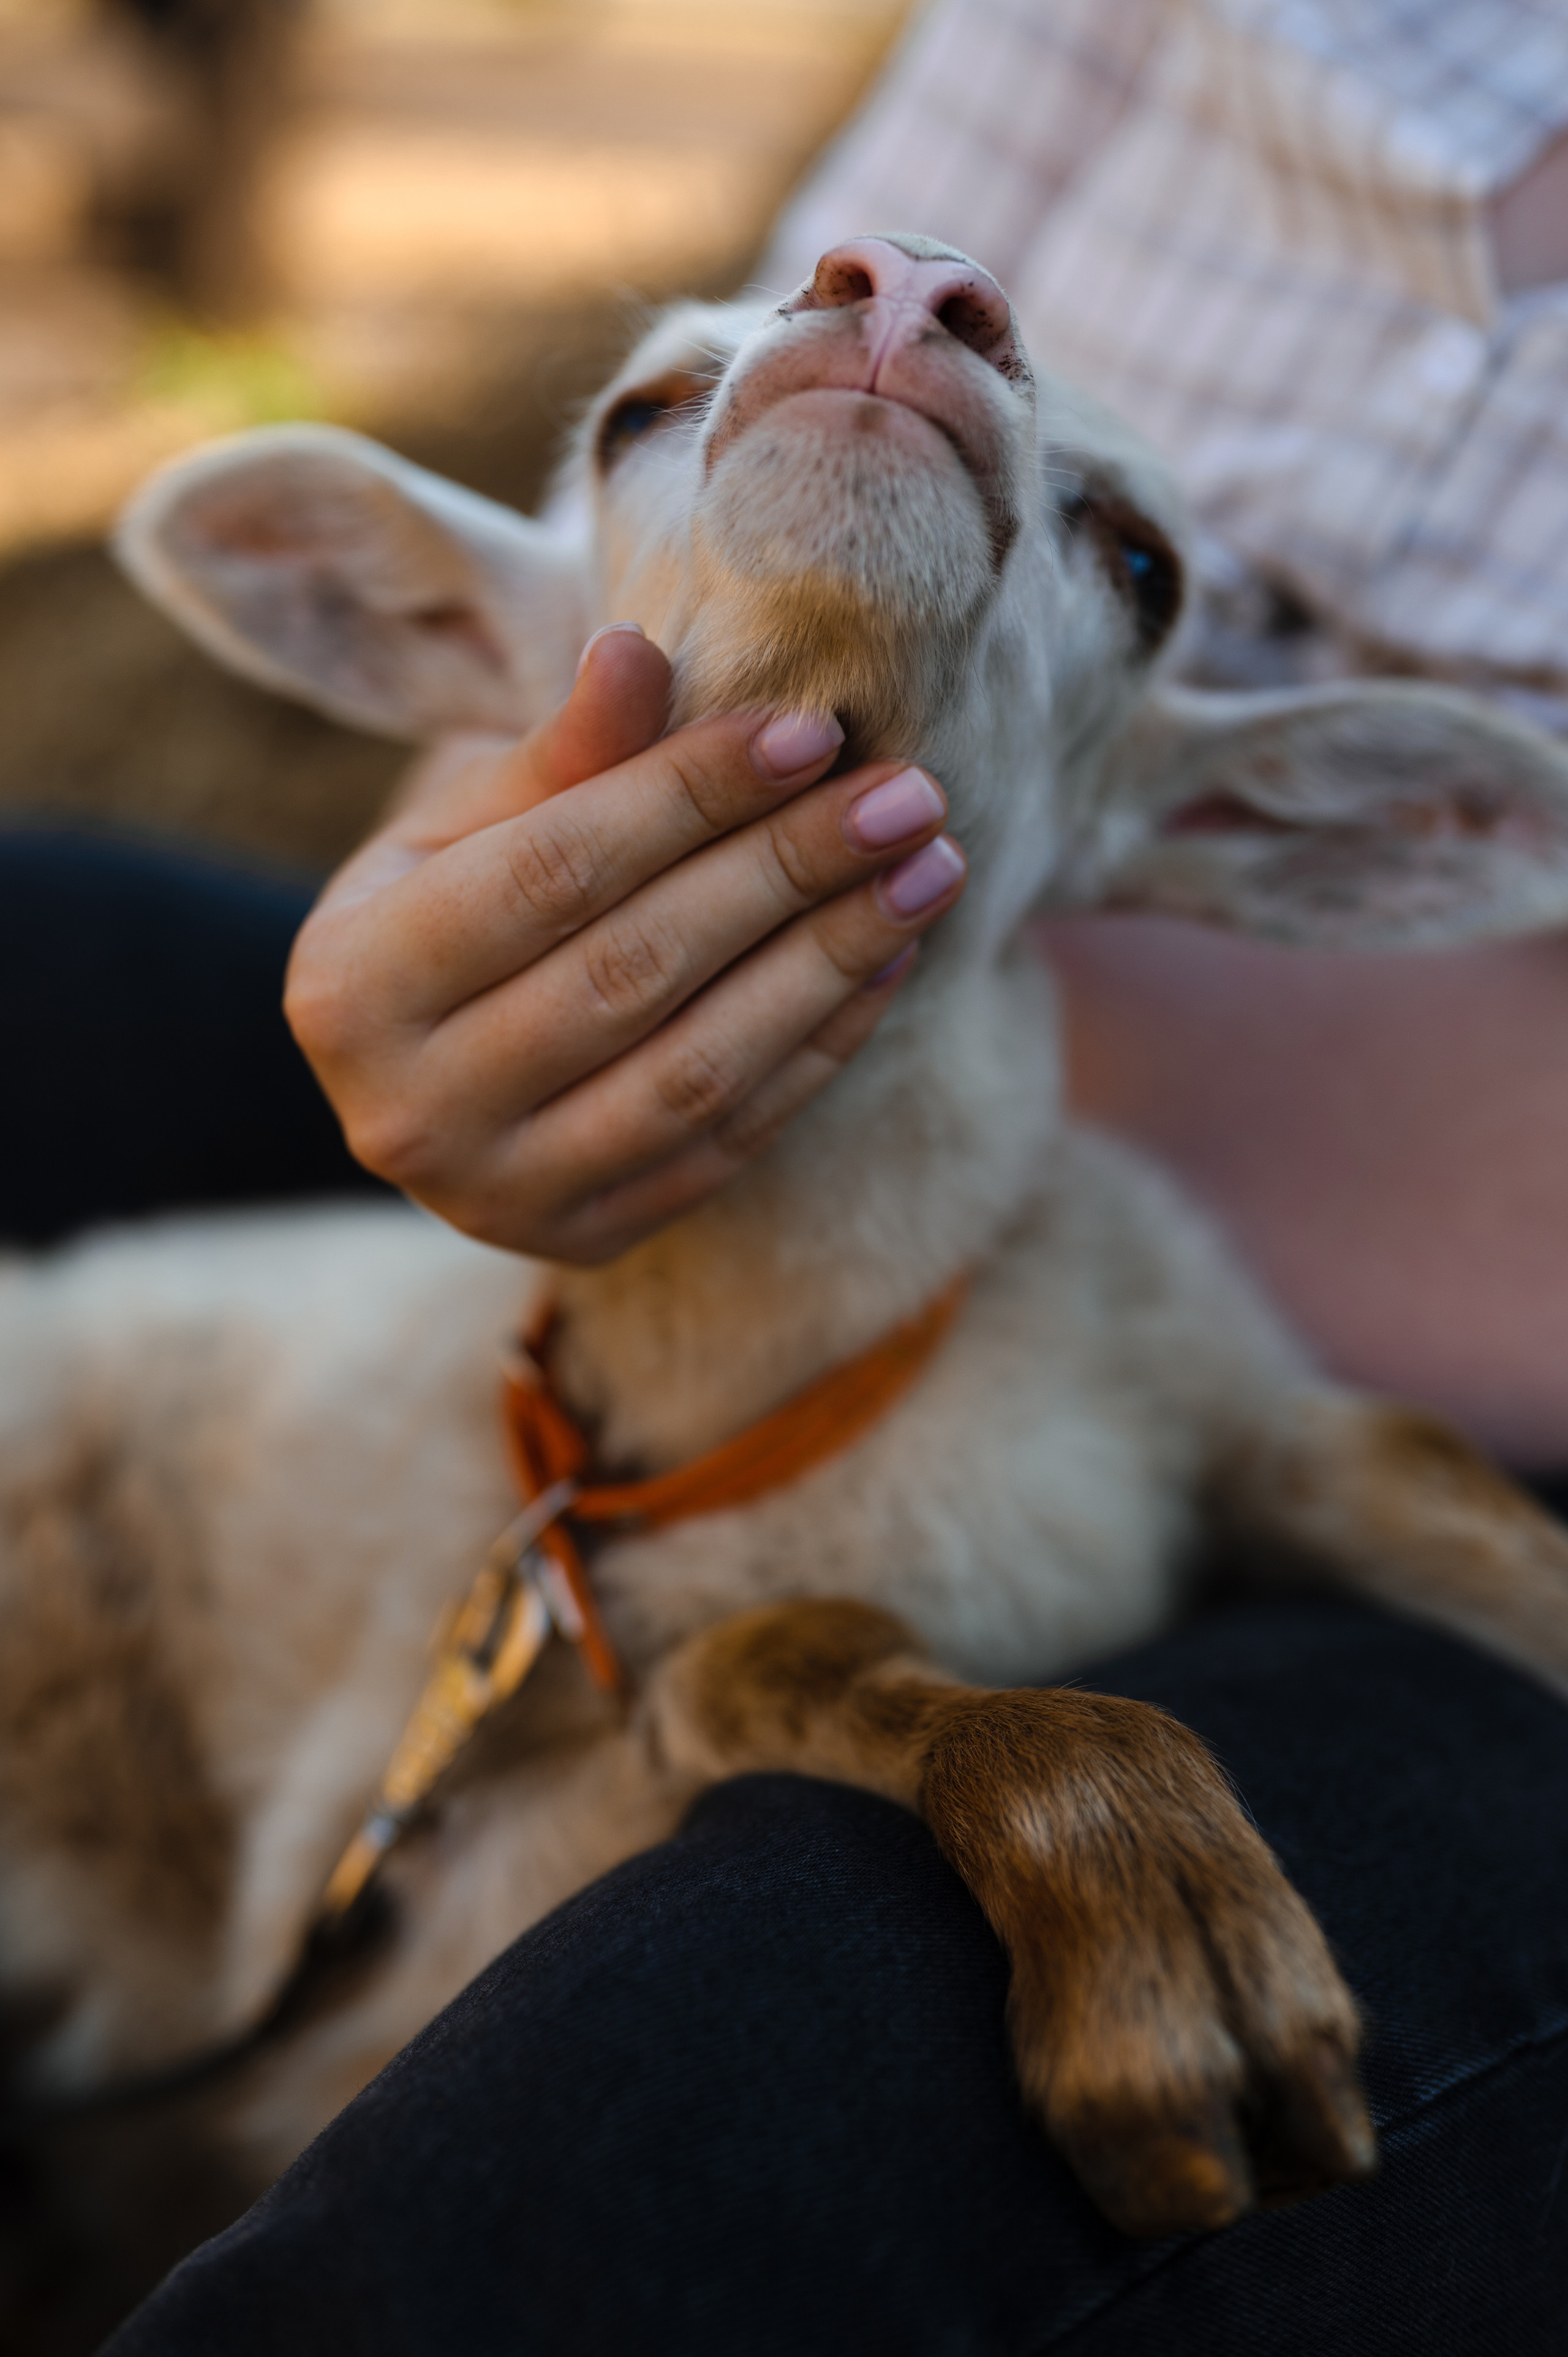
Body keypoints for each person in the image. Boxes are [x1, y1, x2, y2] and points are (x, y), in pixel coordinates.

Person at [7, 2, 1568, 2348]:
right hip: (735, 1177)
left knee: (659, 2121)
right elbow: (724, 466)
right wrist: (461, 950)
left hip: (1268, 1363)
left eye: (1120, 554)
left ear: (1236, 814)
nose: (909, 311)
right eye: (648, 397)